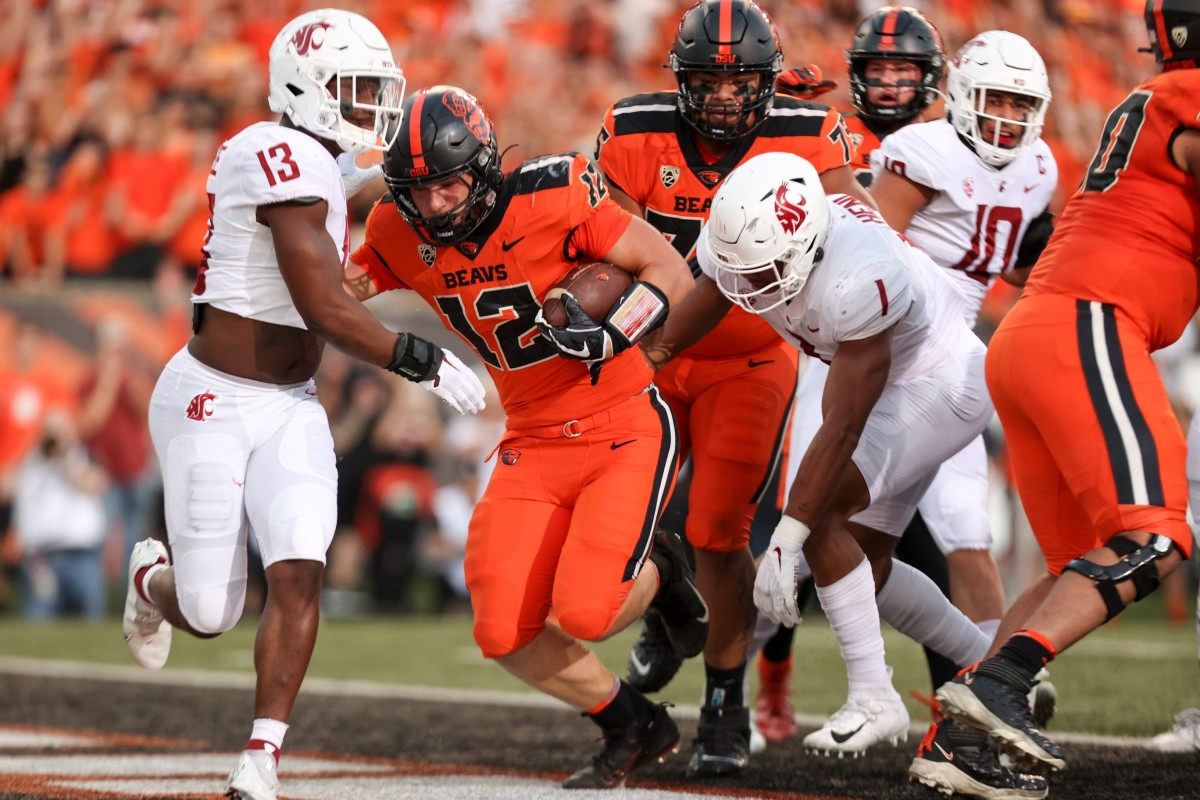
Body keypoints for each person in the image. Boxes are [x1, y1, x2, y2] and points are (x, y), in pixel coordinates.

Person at [123, 11, 487, 800]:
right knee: (211, 611)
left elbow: (354, 177)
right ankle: (152, 579)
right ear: (303, 89)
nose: (370, 109)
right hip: (211, 400)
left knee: (299, 568)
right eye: (354, 92)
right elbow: (322, 304)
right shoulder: (271, 151)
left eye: (373, 92)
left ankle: (262, 753)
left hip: (290, 403)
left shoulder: (311, 160)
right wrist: (417, 358)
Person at [347, 85, 700, 789]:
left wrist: (614, 327)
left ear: (480, 166)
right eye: (419, 192)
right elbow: (337, 287)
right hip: (532, 439)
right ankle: (631, 723)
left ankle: (662, 572)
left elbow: (671, 271)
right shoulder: (397, 227)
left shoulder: (557, 195)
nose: (437, 205)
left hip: (620, 421)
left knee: (587, 612)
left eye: (447, 184)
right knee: (501, 630)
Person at [642, 151, 1002, 767]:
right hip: (891, 383)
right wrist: (650, 349)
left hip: (941, 383)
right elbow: (713, 290)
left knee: (820, 523)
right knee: (865, 566)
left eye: (765, 272)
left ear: (808, 244)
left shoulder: (862, 276)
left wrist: (788, 534)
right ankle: (998, 678)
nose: (752, 287)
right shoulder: (753, 232)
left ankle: (872, 694)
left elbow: (843, 426)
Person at [594, 0, 873, 776]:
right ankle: (672, 601)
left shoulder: (807, 133)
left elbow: (861, 219)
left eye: (738, 80)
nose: (722, 96)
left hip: (751, 355)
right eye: (707, 81)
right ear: (680, 81)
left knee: (719, 530)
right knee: (619, 506)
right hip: (649, 349)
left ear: (767, 81)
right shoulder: (632, 131)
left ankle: (725, 696)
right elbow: (599, 248)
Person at [935, 0, 1200, 782]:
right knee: (1155, 536)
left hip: (1039, 330)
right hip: (1088, 322)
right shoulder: (1189, 91)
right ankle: (1003, 682)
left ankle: (957, 745)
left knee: (1068, 566)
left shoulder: (1158, 100)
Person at [865, 29, 1061, 797]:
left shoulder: (1040, 168)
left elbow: (1010, 256)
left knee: (968, 542)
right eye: (997, 98)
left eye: (1022, 103)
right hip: (895, 356)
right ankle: (980, 689)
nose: (1008, 117)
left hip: (964, 361)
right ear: (962, 94)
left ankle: (988, 704)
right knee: (838, 545)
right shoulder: (922, 150)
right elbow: (872, 248)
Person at [754, 4, 950, 745]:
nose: (893, 82)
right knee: (805, 510)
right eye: (879, 69)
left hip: (923, 347)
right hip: (835, 340)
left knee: (932, 528)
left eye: (906, 70)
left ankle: (955, 697)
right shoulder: (827, 128)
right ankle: (774, 677)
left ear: (930, 78)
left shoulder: (955, 145)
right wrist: (782, 113)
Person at [11, 410, 108, 620]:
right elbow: (8, 487)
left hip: (81, 557)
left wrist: (66, 458)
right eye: (51, 433)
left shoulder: (87, 455)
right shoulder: (31, 462)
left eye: (61, 432)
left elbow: (93, 484)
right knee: (38, 627)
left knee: (90, 628)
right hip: (42, 559)